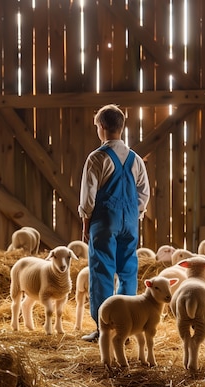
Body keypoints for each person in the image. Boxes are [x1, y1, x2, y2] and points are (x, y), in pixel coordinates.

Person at [78, 104, 150, 343]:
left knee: (102, 271)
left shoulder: (97, 158)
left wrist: (86, 221)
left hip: (104, 221)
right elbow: (144, 193)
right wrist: (133, 213)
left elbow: (88, 195)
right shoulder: (136, 159)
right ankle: (126, 327)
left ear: (101, 127)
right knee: (128, 271)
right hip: (129, 222)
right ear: (122, 127)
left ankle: (104, 327)